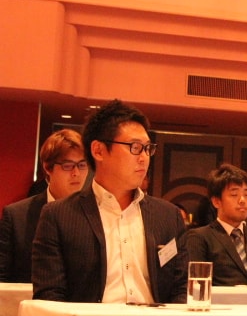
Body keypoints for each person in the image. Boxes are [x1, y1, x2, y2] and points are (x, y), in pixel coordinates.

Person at [32, 99, 188, 303]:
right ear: (98, 150)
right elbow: (49, 298)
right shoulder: (58, 216)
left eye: (147, 148)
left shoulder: (168, 216)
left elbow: (181, 290)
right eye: (135, 147)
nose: (144, 157)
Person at [0, 129, 88, 282]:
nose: (76, 173)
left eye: (82, 165)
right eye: (68, 165)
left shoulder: (96, 212)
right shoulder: (16, 216)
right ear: (48, 167)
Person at [186, 163, 247, 286]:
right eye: (234, 195)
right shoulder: (200, 237)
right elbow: (197, 285)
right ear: (216, 201)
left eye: (246, 194)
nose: (242, 200)